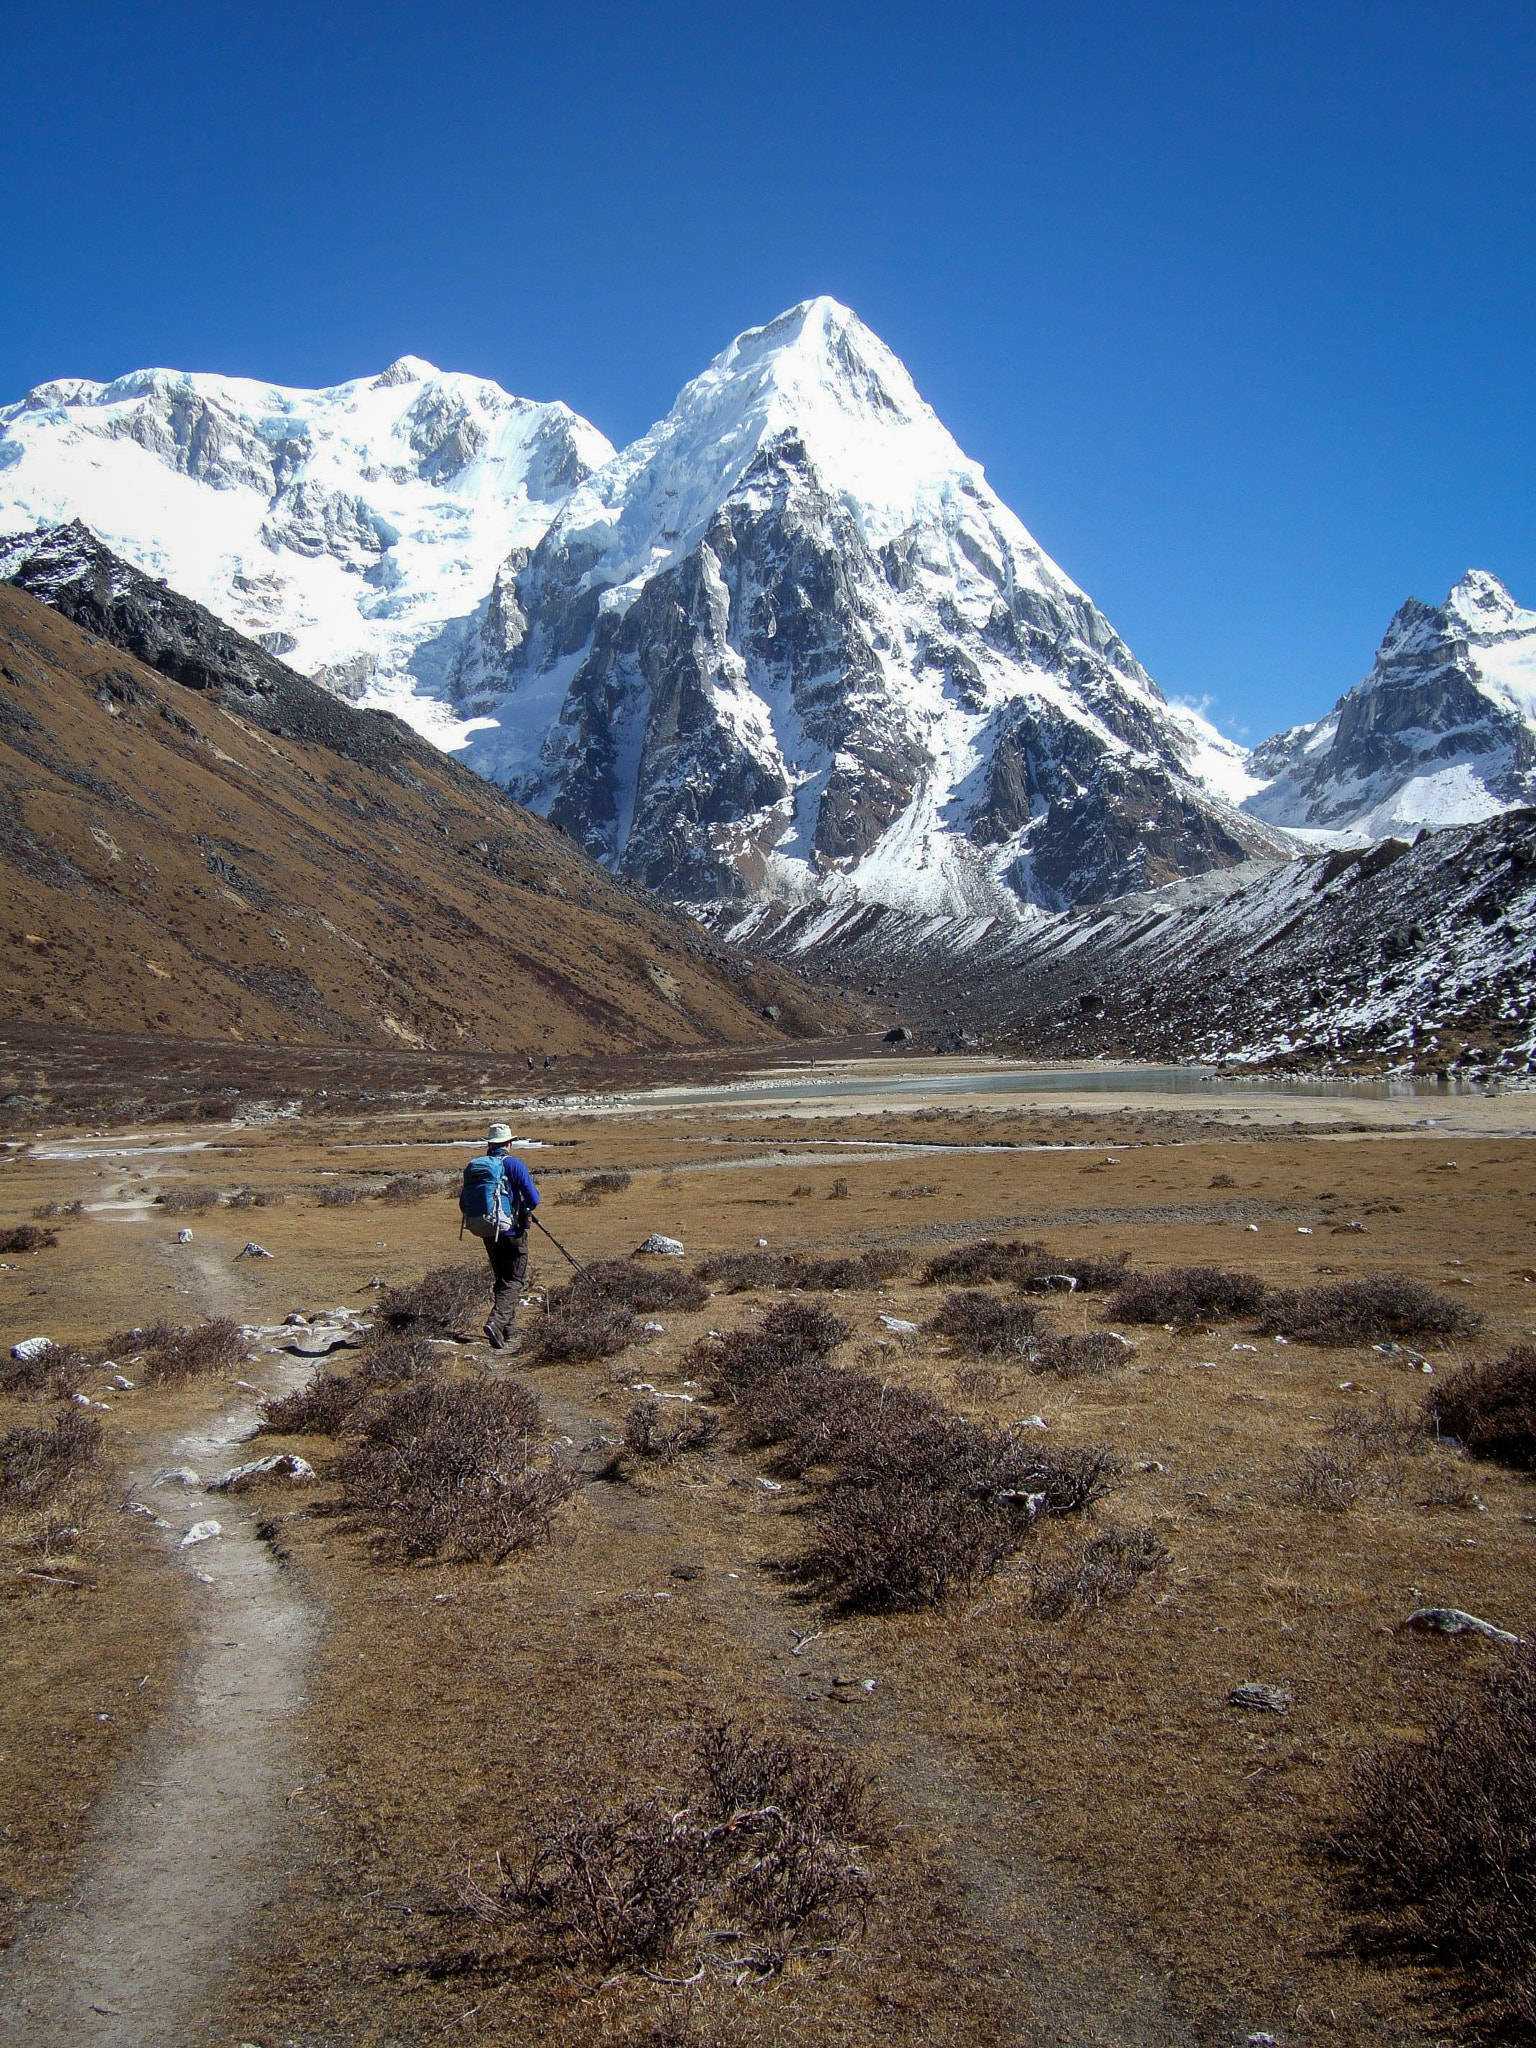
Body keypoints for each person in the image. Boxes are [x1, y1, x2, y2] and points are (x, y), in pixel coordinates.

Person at [459, 1121, 540, 1350]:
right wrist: (523, 1207)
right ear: (509, 1143)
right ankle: (496, 1323)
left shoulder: (477, 1167)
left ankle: (508, 1330)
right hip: (512, 1230)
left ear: (489, 1144)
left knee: (502, 1279)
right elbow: (533, 1200)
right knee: (514, 1280)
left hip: (488, 1230)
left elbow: (463, 1203)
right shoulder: (514, 1165)